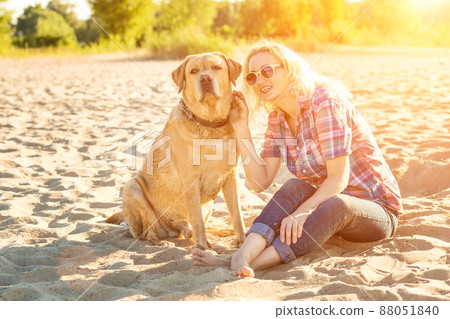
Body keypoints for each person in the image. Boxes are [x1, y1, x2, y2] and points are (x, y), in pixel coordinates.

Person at [191, 40, 402, 278]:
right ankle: (242, 257)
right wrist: (241, 128)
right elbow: (259, 183)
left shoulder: (325, 102)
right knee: (294, 186)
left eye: (267, 71)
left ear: (288, 69)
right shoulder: (277, 120)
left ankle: (251, 263)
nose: (260, 80)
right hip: (325, 211)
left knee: (337, 204)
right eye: (252, 77)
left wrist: (303, 211)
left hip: (374, 209)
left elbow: (338, 178)